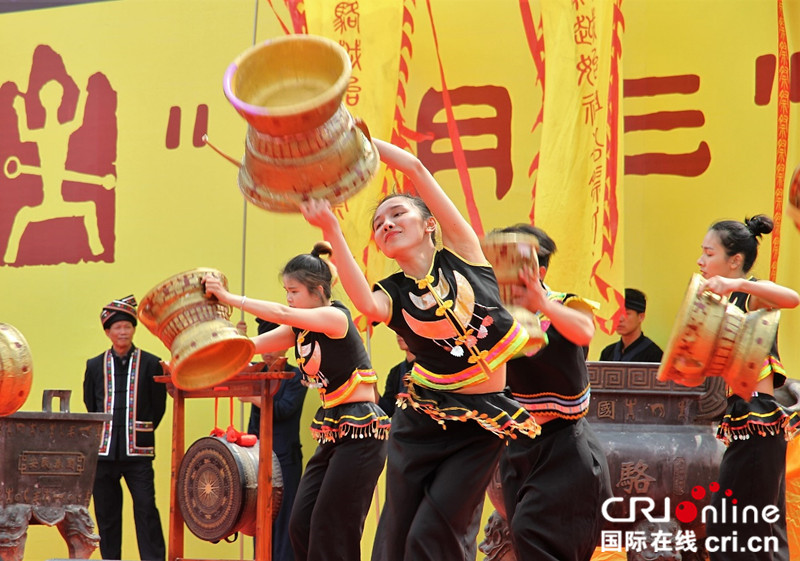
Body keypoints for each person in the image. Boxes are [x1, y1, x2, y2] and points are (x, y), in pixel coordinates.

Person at [301, 138, 539, 561]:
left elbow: (414, 167)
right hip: (420, 422)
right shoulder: (392, 293)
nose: (387, 224)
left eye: (398, 214)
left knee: (436, 532)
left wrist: (354, 139)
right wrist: (331, 230)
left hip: (480, 425)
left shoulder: (464, 254)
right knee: (397, 536)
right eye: (378, 224)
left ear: (429, 224)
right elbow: (365, 305)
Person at [202, 242, 389, 561]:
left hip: (362, 431)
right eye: (286, 291)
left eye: (294, 291)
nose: (288, 298)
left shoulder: (335, 318)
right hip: (333, 430)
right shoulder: (298, 330)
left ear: (317, 290)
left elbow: (282, 314)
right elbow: (249, 346)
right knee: (300, 523)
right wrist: (206, 356)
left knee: (334, 524)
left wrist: (229, 298)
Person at [492, 224, 612, 561]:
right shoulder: (497, 316)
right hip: (518, 447)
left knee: (537, 533)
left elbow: (585, 331)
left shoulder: (565, 304)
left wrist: (541, 303)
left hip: (566, 448)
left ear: (538, 271)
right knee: (525, 539)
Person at [696, 215, 800, 561]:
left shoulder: (748, 297)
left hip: (758, 420)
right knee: (753, 530)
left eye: (709, 253)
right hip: (743, 421)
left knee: (736, 530)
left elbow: (791, 297)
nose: (701, 261)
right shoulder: (721, 304)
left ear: (734, 260)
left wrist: (739, 285)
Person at [82, 295, 167, 561]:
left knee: (146, 509)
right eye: (117, 327)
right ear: (108, 332)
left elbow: (158, 406)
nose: (122, 331)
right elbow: (90, 403)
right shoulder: (94, 365)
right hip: (103, 455)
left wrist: (141, 431)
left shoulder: (151, 363)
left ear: (133, 329)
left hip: (138, 454)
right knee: (106, 514)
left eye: (127, 326)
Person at [241, 318, 307, 561]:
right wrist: (240, 339)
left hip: (284, 458)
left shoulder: (296, 375)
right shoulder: (257, 372)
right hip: (256, 459)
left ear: (285, 346)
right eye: (263, 347)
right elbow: (234, 368)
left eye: (272, 346)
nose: (266, 354)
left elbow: (284, 410)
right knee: (259, 517)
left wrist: (254, 397)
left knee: (284, 517)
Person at [598, 288, 663, 362]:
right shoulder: (607, 353)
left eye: (626, 313)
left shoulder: (654, 355)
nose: (619, 319)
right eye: (616, 313)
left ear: (641, 317)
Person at [378, 334, 414, 416]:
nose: (399, 334)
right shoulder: (396, 371)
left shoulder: (429, 369)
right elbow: (388, 410)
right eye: (396, 331)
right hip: (402, 426)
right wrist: (373, 387)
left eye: (403, 330)